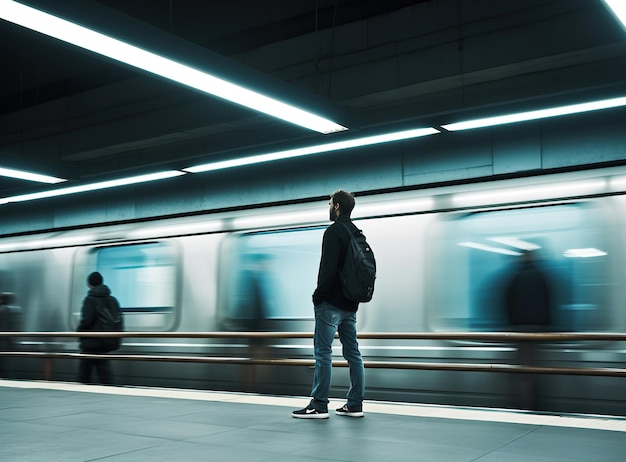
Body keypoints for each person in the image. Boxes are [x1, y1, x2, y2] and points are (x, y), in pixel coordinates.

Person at [292, 190, 365, 419]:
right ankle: (355, 404)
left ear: (336, 207)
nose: (329, 206)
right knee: (353, 353)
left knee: (323, 353)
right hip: (350, 305)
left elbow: (328, 270)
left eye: (330, 203)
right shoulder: (357, 233)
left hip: (330, 304)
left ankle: (319, 404)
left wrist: (318, 296)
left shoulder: (333, 232)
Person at [505, 249, 553, 410]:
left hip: (521, 329)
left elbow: (508, 301)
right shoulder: (541, 275)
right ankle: (532, 404)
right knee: (532, 369)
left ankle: (523, 404)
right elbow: (549, 300)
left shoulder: (515, 276)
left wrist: (511, 325)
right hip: (539, 329)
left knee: (524, 369)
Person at [77, 271, 122, 385]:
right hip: (107, 340)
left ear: (89, 284)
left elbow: (87, 320)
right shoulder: (112, 300)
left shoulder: (90, 299)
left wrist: (79, 333)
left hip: (92, 341)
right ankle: (109, 392)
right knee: (104, 372)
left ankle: (81, 394)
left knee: (84, 374)